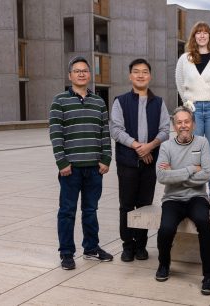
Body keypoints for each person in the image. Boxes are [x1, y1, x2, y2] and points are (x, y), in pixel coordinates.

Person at [49, 56, 113, 270]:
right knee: (67, 211)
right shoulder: (59, 101)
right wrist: (62, 162)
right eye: (77, 71)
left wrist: (106, 159)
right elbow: (56, 134)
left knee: (90, 210)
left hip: (95, 168)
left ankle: (91, 248)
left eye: (85, 70)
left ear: (89, 74)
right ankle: (66, 253)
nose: (81, 73)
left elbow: (105, 133)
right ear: (70, 76)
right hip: (71, 169)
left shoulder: (99, 102)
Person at [110, 58, 170, 262]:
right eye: (136, 72)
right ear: (130, 76)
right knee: (126, 205)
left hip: (150, 162)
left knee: (145, 205)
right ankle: (128, 246)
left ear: (150, 76)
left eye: (145, 72)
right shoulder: (120, 101)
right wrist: (138, 147)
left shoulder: (159, 102)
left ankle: (142, 245)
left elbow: (165, 130)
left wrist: (150, 146)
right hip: (127, 161)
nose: (141, 75)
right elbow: (116, 130)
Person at [155, 106, 210, 296]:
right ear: (174, 126)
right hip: (172, 198)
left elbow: (207, 174)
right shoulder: (166, 146)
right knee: (166, 228)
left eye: (187, 121)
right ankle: (164, 264)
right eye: (179, 122)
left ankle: (209, 275)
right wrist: (191, 169)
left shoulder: (202, 142)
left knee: (204, 223)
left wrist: (175, 172)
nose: (183, 125)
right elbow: (161, 176)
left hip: (197, 196)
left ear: (193, 124)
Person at [175, 21, 210, 203]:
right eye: (198, 33)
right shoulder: (185, 58)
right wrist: (188, 103)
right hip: (194, 109)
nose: (201, 35)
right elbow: (179, 82)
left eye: (205, 33)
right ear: (194, 36)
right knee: (195, 150)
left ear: (209, 36)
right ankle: (197, 189)